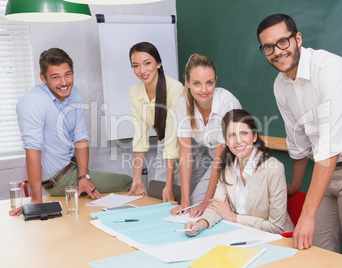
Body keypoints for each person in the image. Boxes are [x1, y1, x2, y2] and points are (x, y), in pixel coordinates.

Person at [256, 13, 342, 264]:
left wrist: (306, 215)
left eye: (283, 42)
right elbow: (298, 141)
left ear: (297, 39)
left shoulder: (331, 70)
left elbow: (329, 149)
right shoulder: (281, 85)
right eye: (268, 47)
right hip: (328, 173)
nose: (277, 51)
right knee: (317, 249)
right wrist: (295, 186)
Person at [10, 48, 132, 216]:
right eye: (55, 77)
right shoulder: (33, 102)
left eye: (67, 74)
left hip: (73, 170)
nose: (64, 82)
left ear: (73, 71)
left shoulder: (73, 92)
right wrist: (37, 200)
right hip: (60, 178)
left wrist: (83, 178)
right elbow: (33, 151)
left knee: (94, 195)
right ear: (43, 78)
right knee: (127, 183)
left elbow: (80, 138)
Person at [184, 109, 294, 236]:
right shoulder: (227, 167)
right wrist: (199, 224)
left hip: (277, 241)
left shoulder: (274, 169)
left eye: (244, 133)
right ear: (226, 141)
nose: (238, 141)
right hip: (241, 236)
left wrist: (233, 217)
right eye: (232, 135)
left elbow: (276, 227)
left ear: (254, 136)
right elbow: (217, 208)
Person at [170, 54, 242, 217]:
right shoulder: (182, 104)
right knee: (192, 209)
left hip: (240, 164)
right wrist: (185, 202)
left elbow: (221, 157)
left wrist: (206, 203)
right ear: (187, 82)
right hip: (218, 165)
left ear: (215, 80)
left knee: (213, 210)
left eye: (209, 83)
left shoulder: (228, 104)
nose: (204, 90)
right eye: (196, 83)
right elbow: (185, 154)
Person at [126, 42, 183, 202]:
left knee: (181, 201)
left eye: (147, 63)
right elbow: (140, 138)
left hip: (187, 148)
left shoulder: (174, 88)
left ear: (158, 63)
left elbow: (173, 138)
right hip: (164, 145)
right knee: (159, 198)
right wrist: (136, 179)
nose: (142, 70)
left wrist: (169, 184)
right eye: (136, 66)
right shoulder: (135, 91)